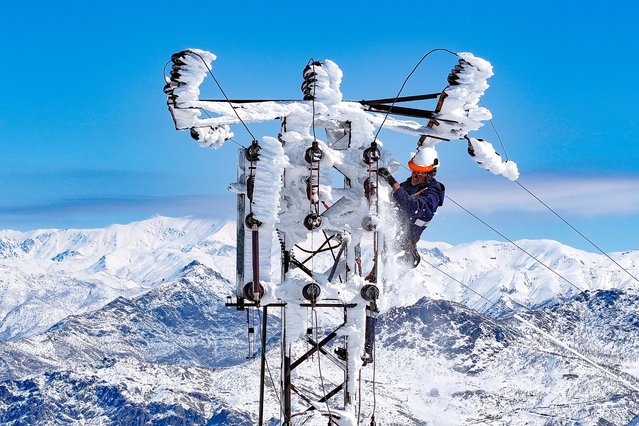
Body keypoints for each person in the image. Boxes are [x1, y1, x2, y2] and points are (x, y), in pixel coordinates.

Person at [378, 146, 445, 267]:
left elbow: (413, 208)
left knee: (388, 267)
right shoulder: (408, 185)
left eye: (419, 172)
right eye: (413, 171)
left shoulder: (433, 194)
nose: (414, 175)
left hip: (403, 240)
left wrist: (391, 181)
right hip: (391, 233)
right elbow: (392, 199)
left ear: (429, 175)